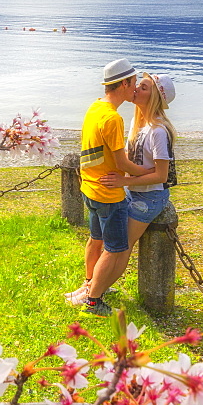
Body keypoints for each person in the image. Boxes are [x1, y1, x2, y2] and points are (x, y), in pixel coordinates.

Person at [66, 58, 149, 316]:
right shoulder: (113, 118)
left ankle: (89, 283)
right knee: (115, 250)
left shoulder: (95, 108)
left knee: (95, 239)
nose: (135, 88)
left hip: (90, 187)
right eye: (134, 83)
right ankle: (93, 301)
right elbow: (121, 160)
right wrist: (148, 173)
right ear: (123, 83)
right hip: (108, 194)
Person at [101, 72, 177, 256]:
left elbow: (161, 176)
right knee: (112, 243)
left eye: (143, 88)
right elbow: (131, 155)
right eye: (139, 85)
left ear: (154, 98)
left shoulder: (158, 131)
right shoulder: (137, 121)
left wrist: (124, 181)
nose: (136, 88)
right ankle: (94, 283)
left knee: (120, 247)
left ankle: (96, 285)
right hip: (133, 191)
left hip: (150, 197)